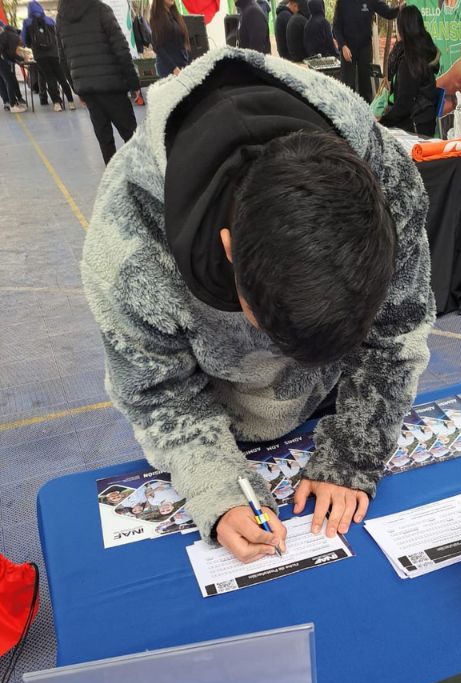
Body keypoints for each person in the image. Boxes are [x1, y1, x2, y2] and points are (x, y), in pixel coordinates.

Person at [81, 49, 434, 563]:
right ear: (229, 250)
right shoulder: (128, 247)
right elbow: (158, 394)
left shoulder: (385, 179)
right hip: (216, 419)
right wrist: (218, 489)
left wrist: (353, 454)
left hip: (340, 401)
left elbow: (396, 334)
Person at [57, 0, 139, 164]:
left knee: (105, 140)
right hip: (112, 85)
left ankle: (113, 183)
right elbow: (121, 49)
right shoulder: (101, 10)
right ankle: (142, 180)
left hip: (88, 90)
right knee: (132, 137)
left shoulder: (61, 18)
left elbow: (63, 59)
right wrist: (133, 82)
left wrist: (77, 88)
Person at [380, 6, 439, 137]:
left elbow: (403, 107)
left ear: (403, 29)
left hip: (415, 126)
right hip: (423, 121)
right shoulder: (424, 50)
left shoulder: (410, 60)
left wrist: (381, 122)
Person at [333, 0, 399, 102]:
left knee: (365, 85)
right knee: (348, 86)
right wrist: (343, 46)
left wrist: (400, 8)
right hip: (347, 48)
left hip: (365, 47)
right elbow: (336, 27)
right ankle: (348, 113)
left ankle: (367, 112)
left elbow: (389, 13)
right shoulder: (342, 2)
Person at [22, 1, 75, 110]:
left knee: (49, 78)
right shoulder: (50, 20)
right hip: (55, 54)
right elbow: (58, 36)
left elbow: (24, 40)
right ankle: (71, 102)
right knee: (61, 78)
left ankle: (56, 104)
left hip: (40, 56)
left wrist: (31, 45)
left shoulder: (27, 22)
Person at [149, 0, 190, 78]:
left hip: (180, 64)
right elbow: (157, 46)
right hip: (169, 68)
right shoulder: (157, 17)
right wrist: (173, 68)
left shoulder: (174, 15)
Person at [0, 22, 26, 112]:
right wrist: (21, 59)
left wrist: (17, 60)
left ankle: (9, 102)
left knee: (6, 81)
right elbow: (11, 53)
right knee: (10, 80)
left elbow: (6, 53)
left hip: (2, 60)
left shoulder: (5, 34)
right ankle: (13, 105)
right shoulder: (14, 37)